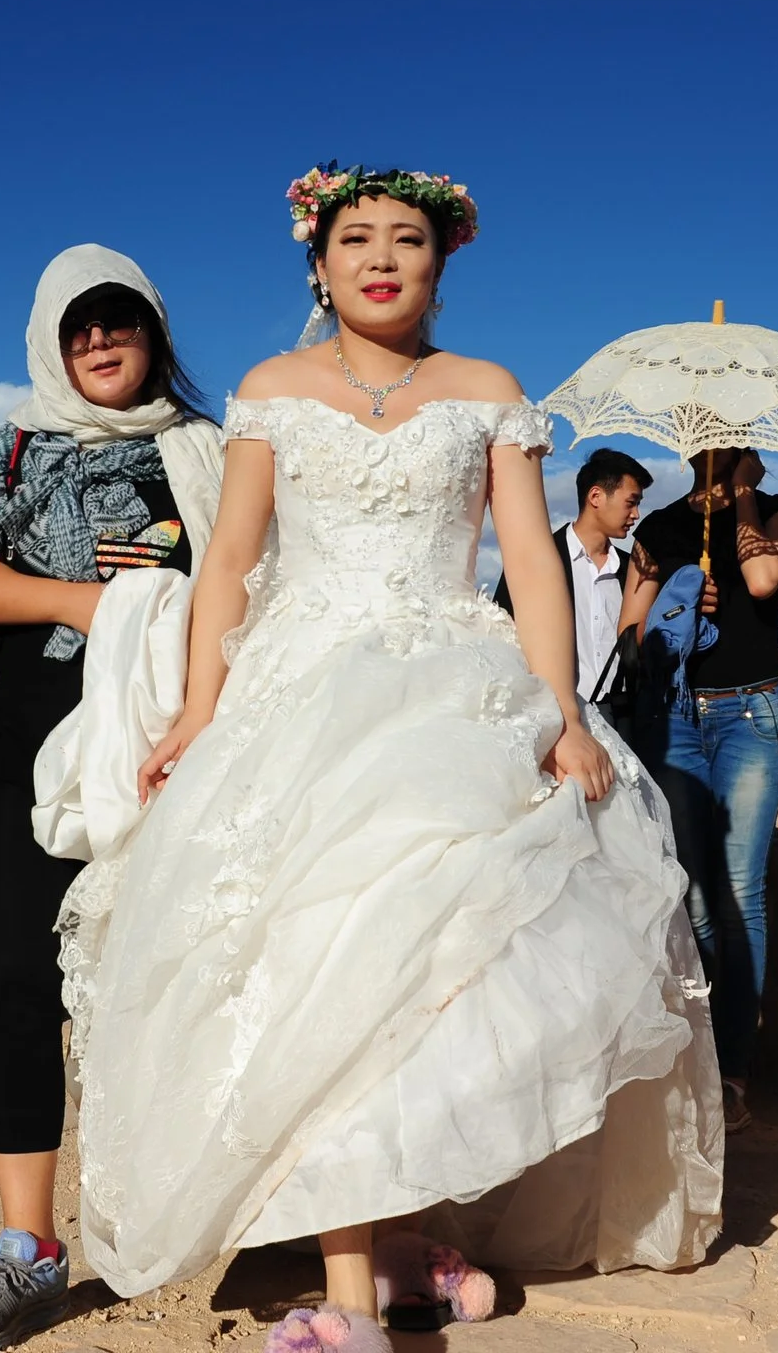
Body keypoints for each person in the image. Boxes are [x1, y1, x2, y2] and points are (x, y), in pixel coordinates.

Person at [58, 165, 723, 1349]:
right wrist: (198, 707)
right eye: (354, 236)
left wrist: (563, 711)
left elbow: (526, 564)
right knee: (308, 958)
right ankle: (357, 1286)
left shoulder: (485, 391)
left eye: (406, 239)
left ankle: (396, 1252)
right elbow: (228, 565)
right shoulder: (271, 390)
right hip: (296, 693)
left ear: (441, 262)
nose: (380, 255)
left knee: (422, 979)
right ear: (317, 263)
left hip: (448, 687)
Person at [0, 244, 223, 1350]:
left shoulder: (209, 450)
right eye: (78, 326)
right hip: (29, 741)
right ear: (52, 340)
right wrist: (92, 602)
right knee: (14, 980)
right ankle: (27, 1248)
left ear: (153, 334)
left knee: (187, 974)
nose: (99, 340)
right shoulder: (8, 449)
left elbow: (254, 580)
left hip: (174, 742)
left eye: (120, 321)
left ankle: (202, 1209)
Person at [621, 445, 778, 1133]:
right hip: (676, 717)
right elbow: (629, 634)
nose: (721, 444)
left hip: (751, 716)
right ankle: (692, 1059)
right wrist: (676, 602)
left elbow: (761, 578)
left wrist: (746, 496)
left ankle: (731, 1074)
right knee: (692, 897)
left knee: (740, 894)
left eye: (738, 436)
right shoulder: (661, 530)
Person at [490, 447, 652, 707]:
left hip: (624, 714)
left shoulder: (631, 569)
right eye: (631, 502)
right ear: (596, 496)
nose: (636, 514)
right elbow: (503, 630)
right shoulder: (540, 559)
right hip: (555, 710)